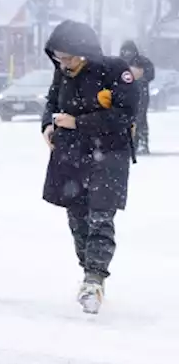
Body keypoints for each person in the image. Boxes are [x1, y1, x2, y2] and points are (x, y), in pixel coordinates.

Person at [41, 20, 136, 314]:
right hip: (71, 156)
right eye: (58, 57)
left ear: (84, 52)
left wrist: (78, 122)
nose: (63, 63)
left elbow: (126, 114)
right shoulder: (63, 74)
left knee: (100, 217)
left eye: (68, 57)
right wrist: (47, 126)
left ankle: (94, 278)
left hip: (108, 156)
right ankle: (89, 271)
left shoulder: (114, 70)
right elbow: (51, 103)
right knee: (78, 220)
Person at [119, 40, 155, 155]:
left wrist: (140, 77)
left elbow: (150, 74)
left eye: (129, 50)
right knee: (125, 120)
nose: (127, 53)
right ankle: (129, 144)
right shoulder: (119, 63)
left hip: (140, 96)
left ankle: (142, 143)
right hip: (123, 96)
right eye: (125, 50)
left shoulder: (142, 62)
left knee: (140, 119)